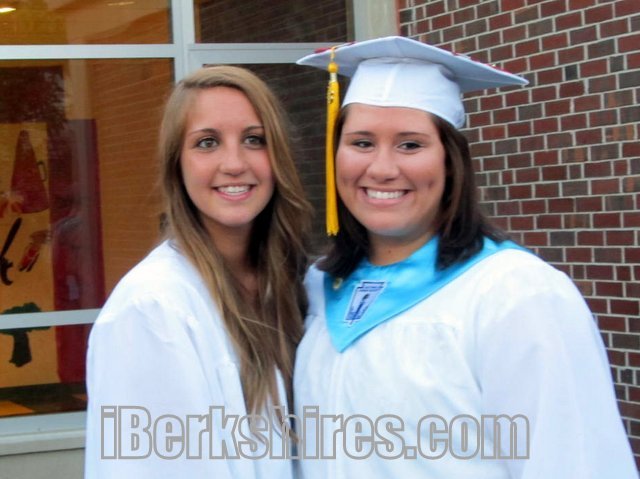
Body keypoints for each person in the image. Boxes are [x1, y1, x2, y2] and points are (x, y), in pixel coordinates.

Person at [293, 36, 637, 478]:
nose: (381, 168)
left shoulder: (516, 295)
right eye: (361, 143)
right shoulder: (318, 288)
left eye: (410, 145)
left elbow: (576, 465)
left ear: (451, 161)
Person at [85, 66, 311, 478]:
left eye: (254, 139)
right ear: (177, 165)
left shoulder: (290, 285)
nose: (234, 163)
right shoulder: (153, 309)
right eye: (207, 143)